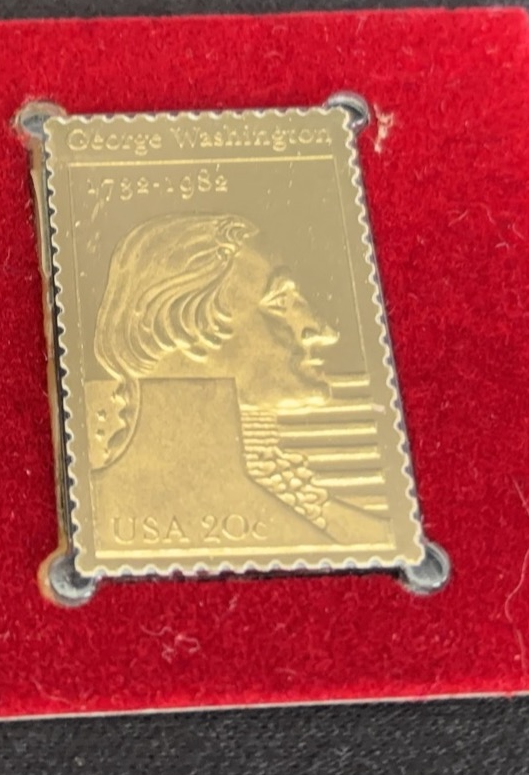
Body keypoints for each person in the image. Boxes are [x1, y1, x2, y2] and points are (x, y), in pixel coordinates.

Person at [90, 212, 386, 546]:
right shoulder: (97, 517)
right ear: (180, 323)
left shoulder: (358, 532)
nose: (322, 330)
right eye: (279, 302)